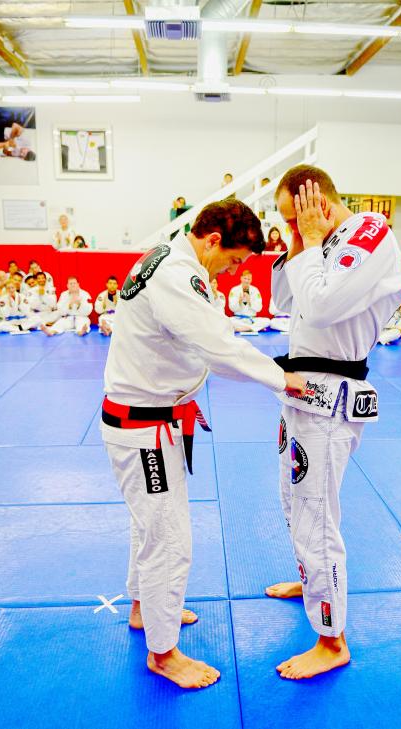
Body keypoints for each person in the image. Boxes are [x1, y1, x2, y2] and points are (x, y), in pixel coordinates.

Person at [101, 198, 305, 689]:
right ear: (213, 240)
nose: (233, 271)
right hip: (144, 428)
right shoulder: (175, 274)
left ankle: (144, 608)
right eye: (233, 260)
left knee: (149, 526)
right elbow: (219, 348)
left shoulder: (168, 257)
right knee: (169, 539)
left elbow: (204, 344)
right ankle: (163, 653)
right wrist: (282, 379)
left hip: (149, 418)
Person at [265, 165, 401, 680]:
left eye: (294, 216)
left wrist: (309, 239)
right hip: (299, 391)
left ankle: (332, 639)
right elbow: (283, 301)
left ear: (317, 201)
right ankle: (312, 580)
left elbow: (322, 307)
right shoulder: (318, 242)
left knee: (317, 515)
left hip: (332, 397)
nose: (291, 226)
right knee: (293, 500)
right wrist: (300, 242)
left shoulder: (370, 232)